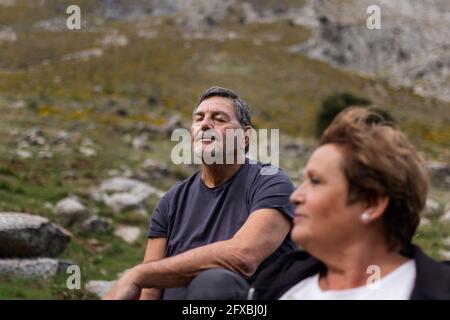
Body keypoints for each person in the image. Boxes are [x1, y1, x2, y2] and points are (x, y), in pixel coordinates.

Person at [104, 86, 297, 300]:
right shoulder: (171, 200)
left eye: (219, 118)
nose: (205, 124)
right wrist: (143, 278)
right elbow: (150, 289)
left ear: (245, 136)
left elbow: (243, 256)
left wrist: (138, 273)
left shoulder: (270, 182)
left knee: (215, 282)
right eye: (198, 119)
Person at [249, 107, 450, 300]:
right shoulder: (277, 283)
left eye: (316, 181)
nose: (295, 196)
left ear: (371, 204)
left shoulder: (438, 290)